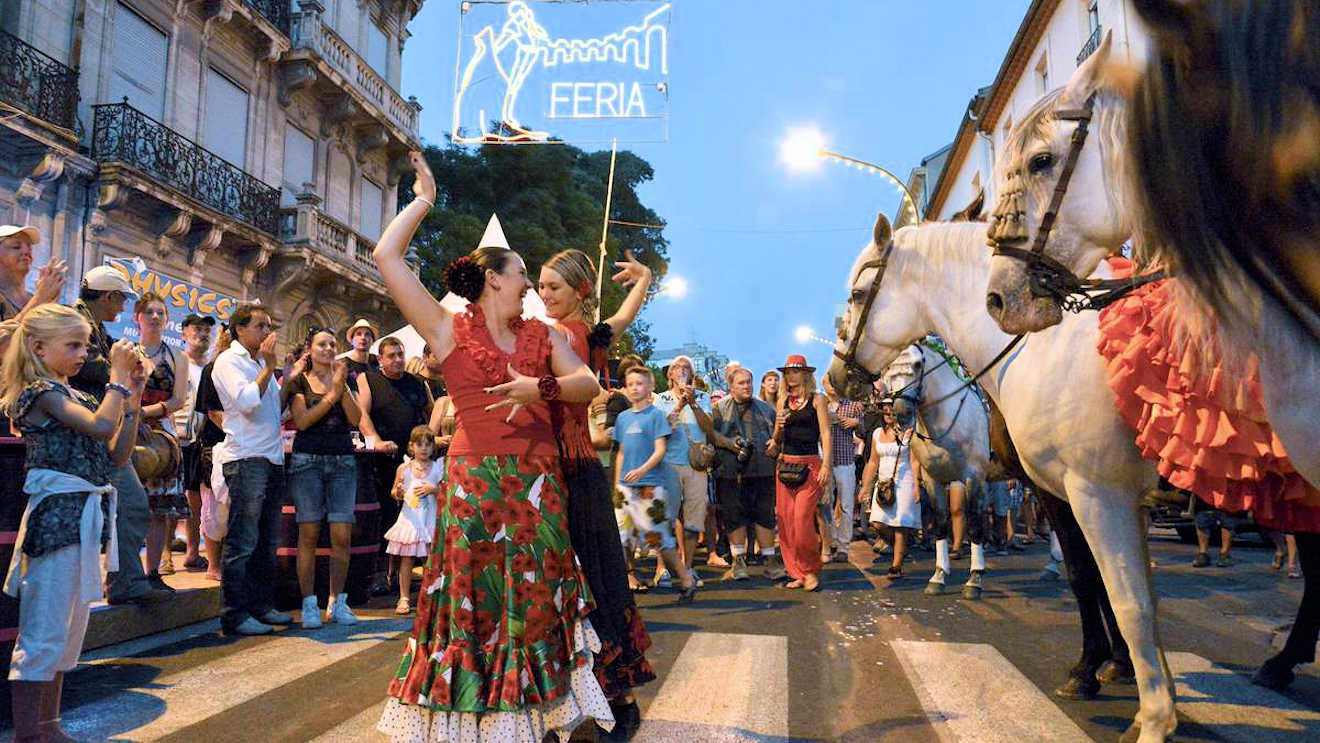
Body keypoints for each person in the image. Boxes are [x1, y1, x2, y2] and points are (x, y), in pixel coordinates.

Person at [374, 152, 613, 740]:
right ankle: (483, 722)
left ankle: (536, 717)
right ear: (493, 279)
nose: (531, 282)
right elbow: (386, 257)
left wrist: (541, 386)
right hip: (477, 491)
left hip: (538, 487)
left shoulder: (545, 335)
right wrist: (424, 199)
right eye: (522, 272)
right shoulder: (445, 329)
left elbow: (587, 385)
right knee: (477, 607)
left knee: (535, 603)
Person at [1, 305, 145, 740]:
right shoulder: (39, 392)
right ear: (38, 347)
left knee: (68, 633)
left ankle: (51, 726)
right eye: (74, 345)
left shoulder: (76, 394)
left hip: (85, 517)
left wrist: (133, 398)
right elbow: (102, 427)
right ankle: (30, 733)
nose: (84, 353)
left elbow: (117, 456)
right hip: (57, 521)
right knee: (44, 631)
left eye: (85, 344)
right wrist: (118, 380)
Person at [538, 247, 658, 731]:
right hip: (582, 470)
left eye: (554, 288)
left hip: (565, 473)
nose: (544, 296)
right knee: (600, 578)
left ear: (577, 292)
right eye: (541, 287)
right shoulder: (589, 334)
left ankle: (591, 698)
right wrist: (645, 278)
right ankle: (615, 695)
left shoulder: (560, 335)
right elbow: (623, 316)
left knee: (572, 581)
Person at [71, 265, 169, 606]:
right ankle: (121, 582)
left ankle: (126, 579)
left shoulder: (94, 327)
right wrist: (126, 369)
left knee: (131, 504)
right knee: (126, 504)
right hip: (82, 435)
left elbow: (125, 368)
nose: (123, 307)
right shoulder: (78, 325)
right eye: (121, 299)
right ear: (109, 296)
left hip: (99, 431)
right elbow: (103, 369)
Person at [211, 304, 292, 636]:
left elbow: (275, 411)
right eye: (260, 325)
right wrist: (270, 368)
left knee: (266, 539)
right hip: (246, 458)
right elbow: (246, 402)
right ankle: (234, 612)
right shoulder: (228, 361)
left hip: (271, 457)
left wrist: (286, 375)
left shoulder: (260, 363)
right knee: (243, 540)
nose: (266, 332)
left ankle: (260, 605)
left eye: (268, 325)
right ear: (239, 330)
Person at [285, 327, 362, 628]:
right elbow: (302, 421)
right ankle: (309, 605)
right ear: (310, 349)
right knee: (309, 532)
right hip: (308, 462)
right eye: (322, 344)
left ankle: (338, 601)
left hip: (342, 460)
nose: (329, 349)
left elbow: (356, 420)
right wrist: (331, 395)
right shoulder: (299, 381)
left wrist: (341, 387)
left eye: (333, 344)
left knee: (342, 534)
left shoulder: (346, 379)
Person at [356, 335, 432, 595]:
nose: (398, 359)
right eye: (392, 356)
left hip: (417, 461)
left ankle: (409, 575)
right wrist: (375, 440)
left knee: (417, 517)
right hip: (383, 460)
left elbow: (430, 417)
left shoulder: (418, 383)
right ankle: (380, 573)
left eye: (400, 354)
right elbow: (361, 413)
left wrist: (427, 450)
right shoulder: (368, 379)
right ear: (380, 359)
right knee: (386, 516)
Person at [614, 366, 695, 604]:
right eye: (630, 384)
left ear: (650, 387)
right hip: (624, 488)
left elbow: (660, 450)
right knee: (620, 535)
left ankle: (685, 580)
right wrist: (618, 483)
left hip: (650, 486)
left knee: (658, 538)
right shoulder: (623, 418)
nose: (635, 388)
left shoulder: (656, 416)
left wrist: (641, 471)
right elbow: (621, 453)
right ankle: (620, 586)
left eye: (640, 383)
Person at [133, 293, 190, 586]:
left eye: (160, 313)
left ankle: (152, 572)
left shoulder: (177, 357)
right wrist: (134, 417)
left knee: (158, 510)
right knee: (127, 507)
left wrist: (145, 413)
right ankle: (125, 572)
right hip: (127, 432)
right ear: (137, 317)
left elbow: (179, 399)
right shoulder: (125, 351)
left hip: (163, 435)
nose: (155, 317)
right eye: (149, 312)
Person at [709, 366, 780, 580]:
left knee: (764, 515)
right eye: (741, 383)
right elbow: (710, 434)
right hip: (731, 472)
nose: (747, 386)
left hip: (762, 469)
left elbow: (777, 437)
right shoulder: (719, 408)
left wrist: (775, 443)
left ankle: (770, 561)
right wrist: (729, 444)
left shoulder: (766, 409)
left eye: (749, 381)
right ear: (730, 386)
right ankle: (738, 562)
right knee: (734, 517)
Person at [767, 355, 830, 591]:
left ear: (805, 374)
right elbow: (776, 440)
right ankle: (798, 572)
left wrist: (827, 465)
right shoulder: (783, 401)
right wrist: (778, 428)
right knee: (787, 524)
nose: (790, 376)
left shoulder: (817, 400)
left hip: (810, 464)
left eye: (795, 371)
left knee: (803, 521)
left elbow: (825, 434)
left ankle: (811, 569)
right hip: (785, 465)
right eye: (787, 372)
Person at [653, 356, 716, 590]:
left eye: (686, 368)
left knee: (693, 518)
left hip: (695, 465)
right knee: (666, 519)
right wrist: (679, 404)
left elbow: (709, 428)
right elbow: (660, 430)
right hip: (668, 463)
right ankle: (662, 568)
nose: (682, 371)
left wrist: (694, 403)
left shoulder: (702, 397)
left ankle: (688, 566)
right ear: (669, 374)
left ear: (692, 374)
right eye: (677, 368)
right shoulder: (661, 399)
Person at [860, 397, 920, 579]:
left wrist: (917, 485)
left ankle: (896, 565)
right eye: (884, 408)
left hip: (905, 480)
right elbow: (872, 462)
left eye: (891, 408)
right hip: (884, 483)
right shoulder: (877, 433)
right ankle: (902, 548)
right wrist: (865, 487)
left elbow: (915, 460)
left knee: (900, 524)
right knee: (877, 523)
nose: (887, 412)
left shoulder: (909, 431)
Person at [174, 314, 215, 572]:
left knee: (195, 495)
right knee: (168, 495)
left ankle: (192, 550)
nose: (202, 334)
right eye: (197, 329)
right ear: (184, 334)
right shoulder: (179, 363)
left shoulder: (213, 367)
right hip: (177, 436)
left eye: (206, 330)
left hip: (202, 440)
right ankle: (164, 554)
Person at [385, 426, 440, 616]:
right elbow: (394, 492)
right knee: (406, 559)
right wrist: (398, 492)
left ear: (433, 447)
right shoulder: (405, 468)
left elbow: (446, 491)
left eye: (428, 444)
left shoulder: (438, 467)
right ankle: (404, 597)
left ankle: (430, 597)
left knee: (429, 560)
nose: (424, 448)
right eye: (419, 444)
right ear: (411, 446)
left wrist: (433, 489)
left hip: (429, 521)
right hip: (410, 521)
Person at [194, 326, 231, 582]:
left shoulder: (253, 369)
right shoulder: (214, 368)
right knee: (214, 506)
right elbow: (211, 410)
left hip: (242, 446)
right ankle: (213, 564)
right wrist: (238, 431)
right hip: (215, 443)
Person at [823, 377, 862, 563]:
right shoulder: (820, 404)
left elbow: (864, 426)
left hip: (845, 460)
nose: (831, 386)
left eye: (834, 382)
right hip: (825, 462)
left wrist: (856, 422)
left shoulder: (852, 405)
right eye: (828, 382)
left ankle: (844, 546)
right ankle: (830, 541)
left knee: (846, 505)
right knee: (826, 505)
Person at [0, 225, 67, 323]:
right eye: (16, 247)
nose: (26, 252)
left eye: (29, 247)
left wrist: (51, 301)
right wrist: (40, 299)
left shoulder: (32, 297)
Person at [342, 318, 379, 384]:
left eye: (367, 334)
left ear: (372, 341)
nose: (363, 338)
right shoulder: (345, 365)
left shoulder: (377, 361)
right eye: (359, 334)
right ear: (352, 340)